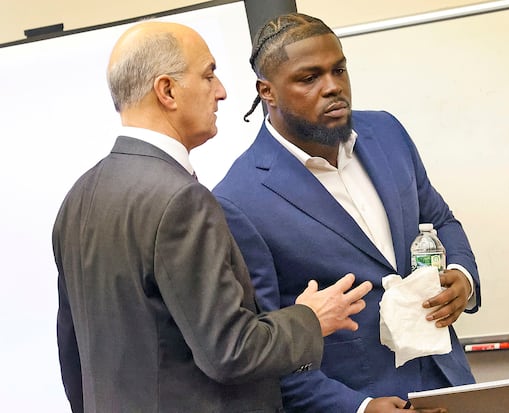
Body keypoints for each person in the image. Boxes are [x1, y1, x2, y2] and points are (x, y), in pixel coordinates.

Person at [52, 21, 373, 413]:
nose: (221, 92)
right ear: (167, 91)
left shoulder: (79, 196)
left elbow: (73, 356)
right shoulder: (181, 200)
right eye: (208, 75)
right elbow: (230, 351)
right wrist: (310, 318)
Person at [213, 12, 481, 413]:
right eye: (310, 78)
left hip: (449, 383)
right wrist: (359, 408)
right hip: (360, 398)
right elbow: (266, 345)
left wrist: (462, 276)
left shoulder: (387, 132)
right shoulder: (238, 199)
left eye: (339, 69)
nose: (333, 87)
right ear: (267, 91)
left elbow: (439, 220)